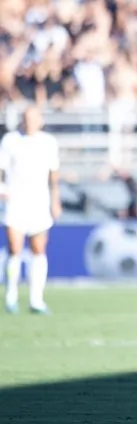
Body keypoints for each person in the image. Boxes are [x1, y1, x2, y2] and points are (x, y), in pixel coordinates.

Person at [0, 106, 62, 314]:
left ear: (41, 120)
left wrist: (55, 200)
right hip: (16, 200)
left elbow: (53, 175)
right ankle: (11, 297)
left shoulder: (48, 142)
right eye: (26, 118)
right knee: (14, 248)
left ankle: (36, 299)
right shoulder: (10, 141)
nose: (30, 122)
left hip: (38, 201)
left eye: (34, 118)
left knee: (38, 249)